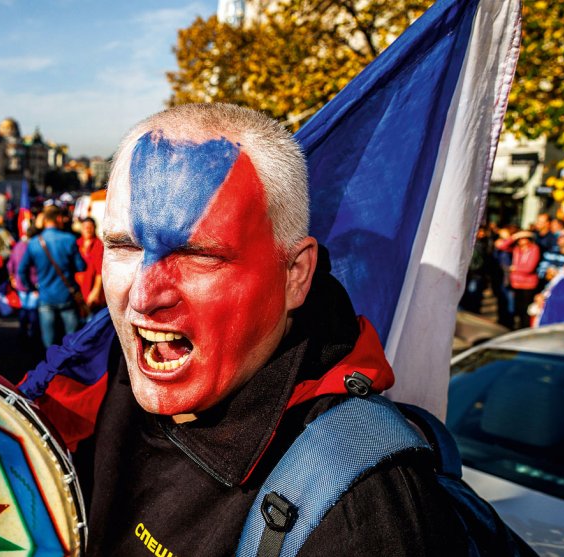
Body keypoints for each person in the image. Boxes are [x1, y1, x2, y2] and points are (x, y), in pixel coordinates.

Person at [76, 104, 470, 554]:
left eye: (200, 254)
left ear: (296, 275)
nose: (143, 297)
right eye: (124, 245)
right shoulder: (118, 370)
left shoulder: (355, 513)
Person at [17, 204, 85, 348]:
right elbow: (81, 266)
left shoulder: (34, 243)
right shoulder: (69, 239)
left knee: (49, 344)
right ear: (59, 218)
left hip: (46, 297)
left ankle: (52, 369)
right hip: (66, 296)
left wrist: (31, 288)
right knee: (72, 342)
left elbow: (22, 270)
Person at [75, 216, 105, 312]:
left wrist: (95, 291)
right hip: (77, 291)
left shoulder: (98, 245)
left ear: (94, 228)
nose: (87, 230)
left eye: (90, 227)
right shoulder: (76, 244)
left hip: (92, 291)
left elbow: (100, 271)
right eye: (85, 227)